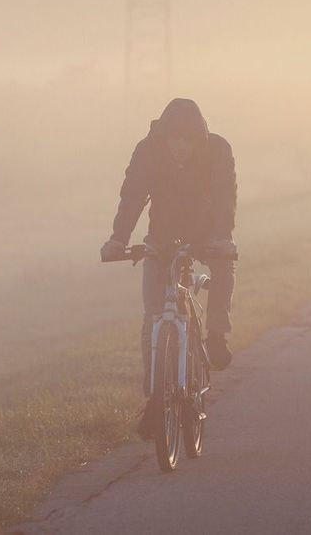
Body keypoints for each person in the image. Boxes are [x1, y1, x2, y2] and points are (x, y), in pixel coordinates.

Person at [101, 98, 237, 438]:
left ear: (199, 139)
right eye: (173, 139)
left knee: (222, 264)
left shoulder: (218, 151)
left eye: (187, 140)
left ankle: (217, 333)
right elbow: (132, 195)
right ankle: (155, 398)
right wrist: (118, 238)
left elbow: (225, 197)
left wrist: (221, 237)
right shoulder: (148, 151)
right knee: (153, 317)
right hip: (161, 235)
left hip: (207, 232)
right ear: (163, 137)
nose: (180, 147)